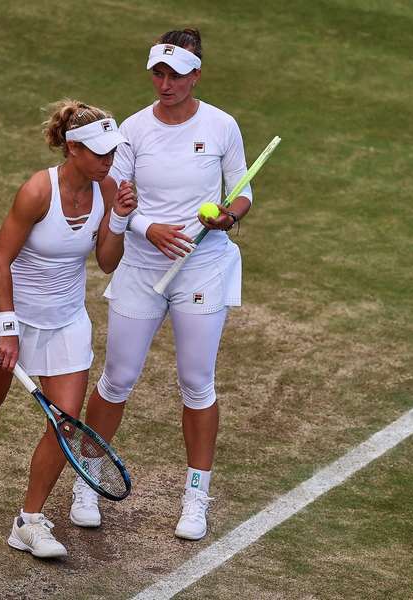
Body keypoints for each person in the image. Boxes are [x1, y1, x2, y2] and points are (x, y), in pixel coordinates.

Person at [75, 28, 253, 541]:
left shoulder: (222, 125)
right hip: (141, 267)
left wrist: (228, 216)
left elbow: (243, 189)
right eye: (159, 72)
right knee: (117, 378)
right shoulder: (132, 130)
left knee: (197, 383)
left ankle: (196, 496)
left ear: (196, 75)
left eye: (176, 75)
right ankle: (89, 479)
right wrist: (146, 227)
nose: (165, 83)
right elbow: (118, 203)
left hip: (203, 266)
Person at [0, 99, 135, 559]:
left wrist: (121, 219)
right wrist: (8, 329)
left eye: (113, 152)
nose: (108, 161)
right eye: (99, 153)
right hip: (13, 311)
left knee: (66, 425)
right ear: (73, 149)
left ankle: (29, 521)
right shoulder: (36, 191)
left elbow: (107, 262)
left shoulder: (108, 189)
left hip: (67, 320)